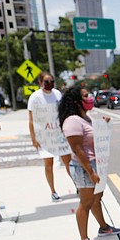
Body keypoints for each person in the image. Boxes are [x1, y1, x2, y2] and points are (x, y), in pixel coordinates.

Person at [58, 86, 120, 240]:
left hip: (95, 165)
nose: (90, 98)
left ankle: (104, 227)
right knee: (86, 203)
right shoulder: (72, 121)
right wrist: (91, 173)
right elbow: (78, 150)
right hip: (84, 168)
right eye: (86, 96)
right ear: (76, 101)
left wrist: (104, 124)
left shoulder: (84, 117)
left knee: (97, 198)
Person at [28, 71, 72, 202]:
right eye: (46, 82)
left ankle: (78, 185)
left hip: (59, 134)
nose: (49, 84)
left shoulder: (57, 94)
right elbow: (31, 120)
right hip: (45, 136)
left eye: (52, 81)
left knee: (68, 162)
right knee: (49, 164)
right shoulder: (35, 97)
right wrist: (33, 138)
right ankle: (53, 191)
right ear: (41, 83)